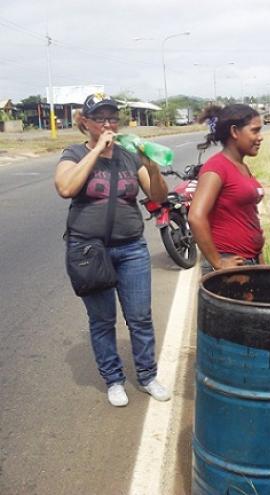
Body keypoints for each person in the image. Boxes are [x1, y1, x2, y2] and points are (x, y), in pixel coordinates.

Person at [55, 93, 171, 407]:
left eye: (112, 118)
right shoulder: (74, 153)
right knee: (103, 320)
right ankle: (114, 379)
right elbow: (66, 188)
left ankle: (147, 376)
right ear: (85, 122)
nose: (108, 123)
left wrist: (152, 166)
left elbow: (158, 196)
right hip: (90, 252)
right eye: (100, 118)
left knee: (140, 318)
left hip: (131, 248)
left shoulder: (130, 155)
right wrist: (96, 152)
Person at [189, 104, 265, 273]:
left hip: (249, 262)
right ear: (234, 132)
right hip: (230, 268)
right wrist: (218, 262)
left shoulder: (241, 166)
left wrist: (260, 259)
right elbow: (195, 216)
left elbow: (246, 214)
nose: (261, 137)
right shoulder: (216, 168)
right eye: (255, 131)